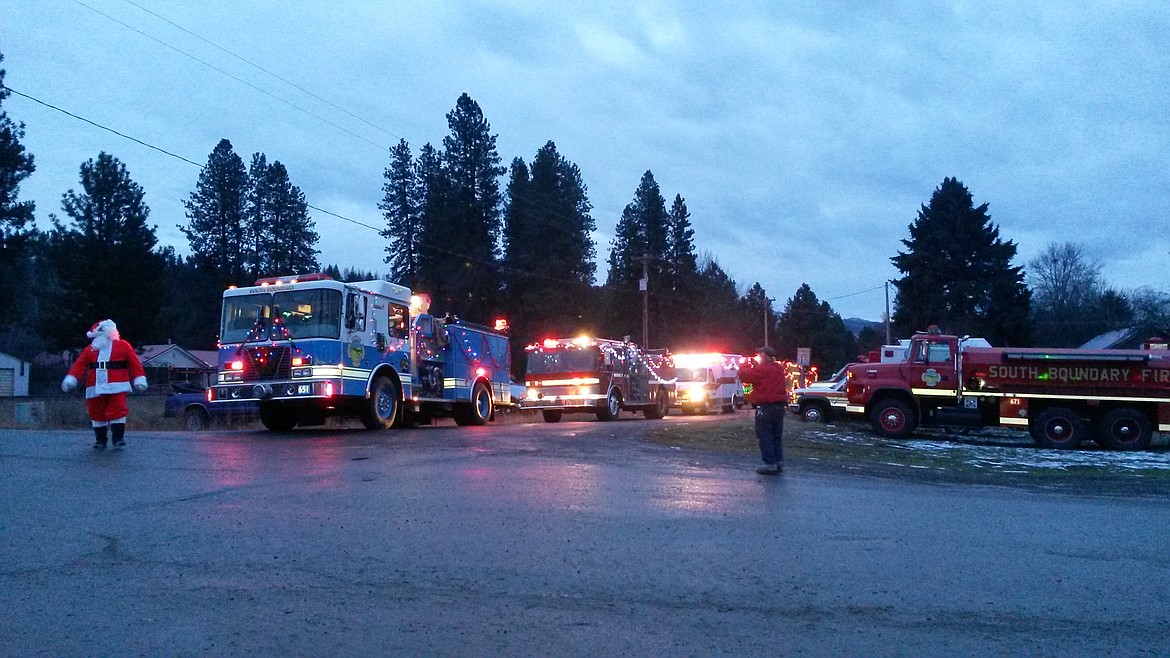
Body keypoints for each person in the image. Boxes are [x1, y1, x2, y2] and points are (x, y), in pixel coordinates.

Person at [61, 320, 148, 449]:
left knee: (117, 410)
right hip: (94, 385)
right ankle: (100, 440)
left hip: (117, 384)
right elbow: (79, 365)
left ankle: (118, 438)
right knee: (96, 412)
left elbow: (134, 362)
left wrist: (139, 378)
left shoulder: (123, 346)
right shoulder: (89, 350)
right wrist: (71, 378)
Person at [738, 346, 789, 474]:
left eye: (760, 355)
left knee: (764, 435)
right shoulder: (779, 369)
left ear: (765, 356)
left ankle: (769, 463)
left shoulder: (761, 370)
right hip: (779, 406)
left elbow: (743, 376)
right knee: (776, 435)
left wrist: (745, 364)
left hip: (766, 407)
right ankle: (779, 462)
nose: (758, 357)